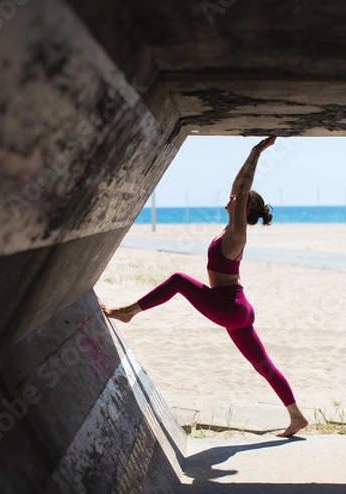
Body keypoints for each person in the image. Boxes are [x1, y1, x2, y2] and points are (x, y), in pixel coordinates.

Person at [101, 136, 308, 437]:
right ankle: (297, 417)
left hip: (231, 308)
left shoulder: (237, 233)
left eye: (238, 197)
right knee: (263, 365)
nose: (232, 195)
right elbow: (240, 185)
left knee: (178, 281)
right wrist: (250, 158)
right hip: (235, 307)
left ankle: (129, 311)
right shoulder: (229, 228)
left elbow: (243, 186)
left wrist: (257, 151)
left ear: (243, 205)